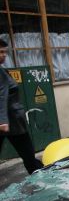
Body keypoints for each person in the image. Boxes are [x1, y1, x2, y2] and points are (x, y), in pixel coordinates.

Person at [0, 39, 43, 174]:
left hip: (11, 121)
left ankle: (40, 174)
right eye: (0, 52)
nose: (3, 55)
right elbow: (1, 95)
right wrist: (2, 120)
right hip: (11, 121)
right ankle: (43, 177)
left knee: (28, 155)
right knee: (28, 155)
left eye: (5, 52)